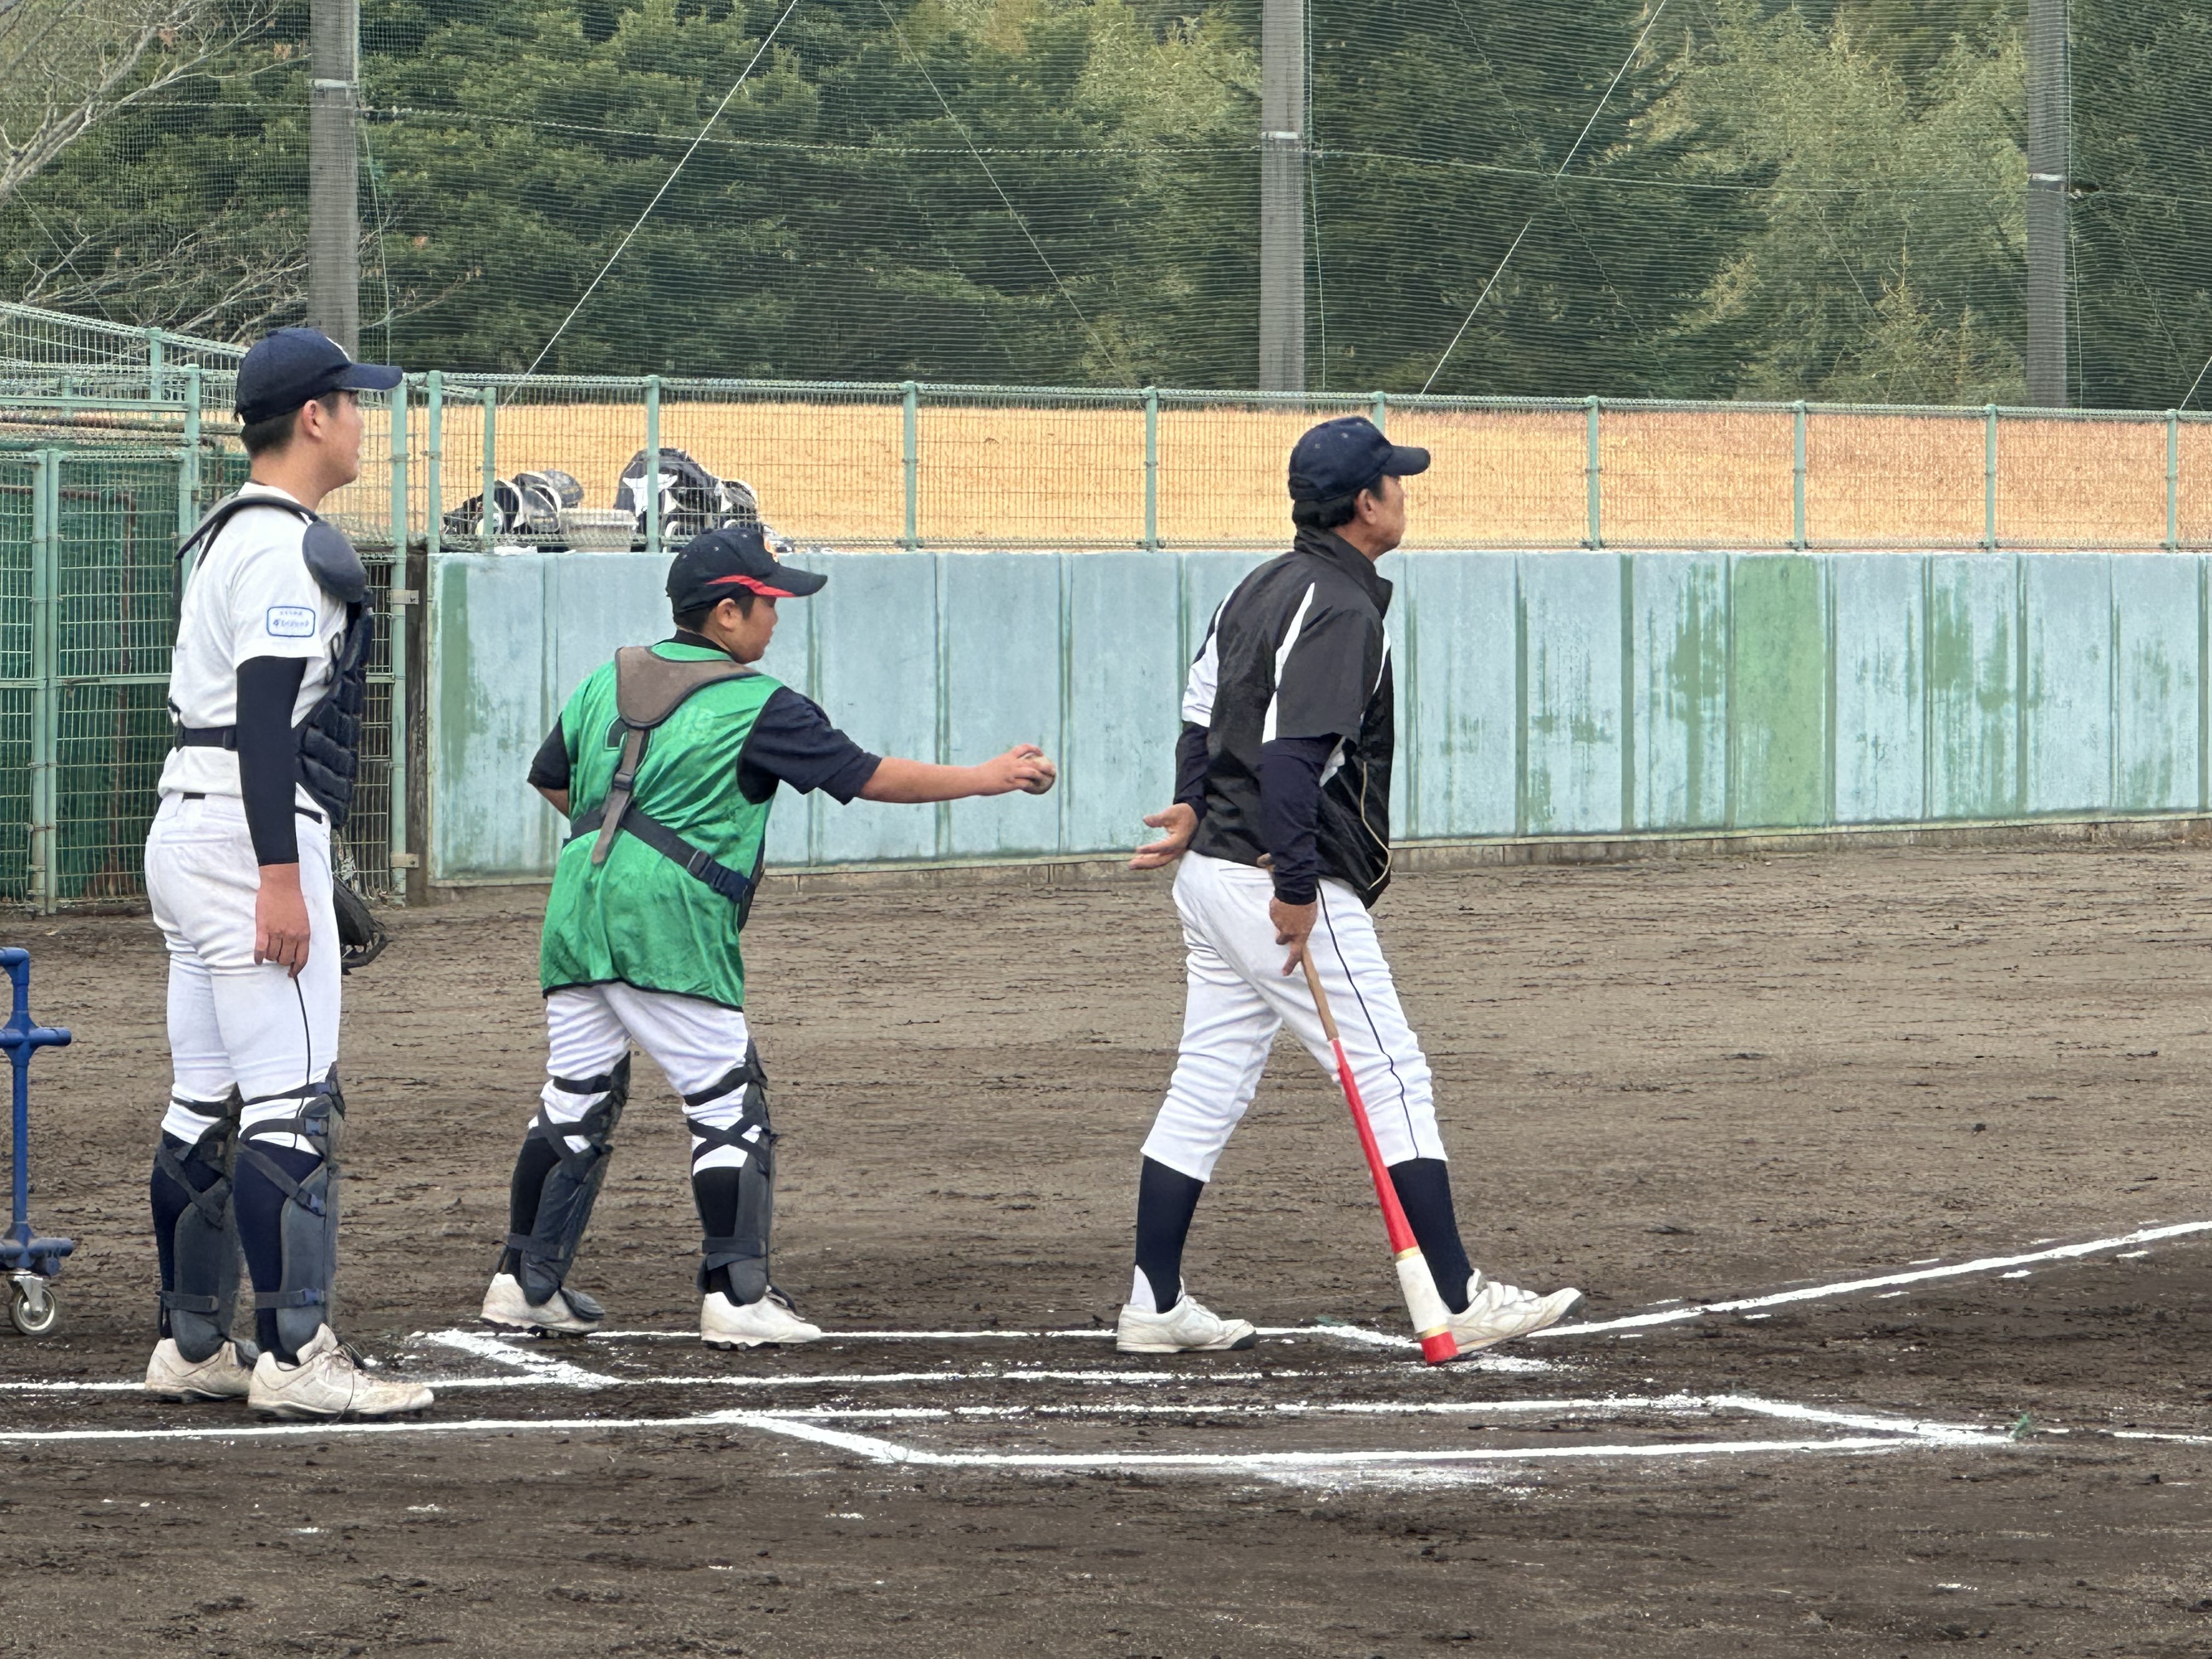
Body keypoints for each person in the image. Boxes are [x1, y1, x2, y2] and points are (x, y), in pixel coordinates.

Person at [484, 524, 1056, 1347]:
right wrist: (987, 777)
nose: (777, 618)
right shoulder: (758, 703)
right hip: (669, 923)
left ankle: (524, 1283)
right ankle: (737, 1294)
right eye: (769, 603)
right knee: (726, 1100)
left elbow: (552, 779)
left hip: (578, 908)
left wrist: (623, 842)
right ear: (727, 613)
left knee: (576, 1095)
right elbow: (864, 776)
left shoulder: (606, 679)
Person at [1117, 415, 1584, 1357]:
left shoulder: (1259, 584)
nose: (1404, 495)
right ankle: (1457, 1294)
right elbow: (1294, 762)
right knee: (1389, 1073)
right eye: (1394, 483)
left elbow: (1199, 718)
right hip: (1277, 881)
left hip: (1214, 875)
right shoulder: (1339, 606)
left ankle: (1154, 1303)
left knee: (1208, 1080)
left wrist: (1191, 803)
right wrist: (1296, 887)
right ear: (1366, 505)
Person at [145, 328, 433, 1419]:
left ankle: (192, 1344)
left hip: (189, 828)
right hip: (244, 834)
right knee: (292, 1103)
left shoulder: (230, 533)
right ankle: (298, 1355)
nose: (364, 421)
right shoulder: (281, 547)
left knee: (205, 1100)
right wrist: (279, 872)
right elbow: (266, 723)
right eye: (353, 403)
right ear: (313, 417)